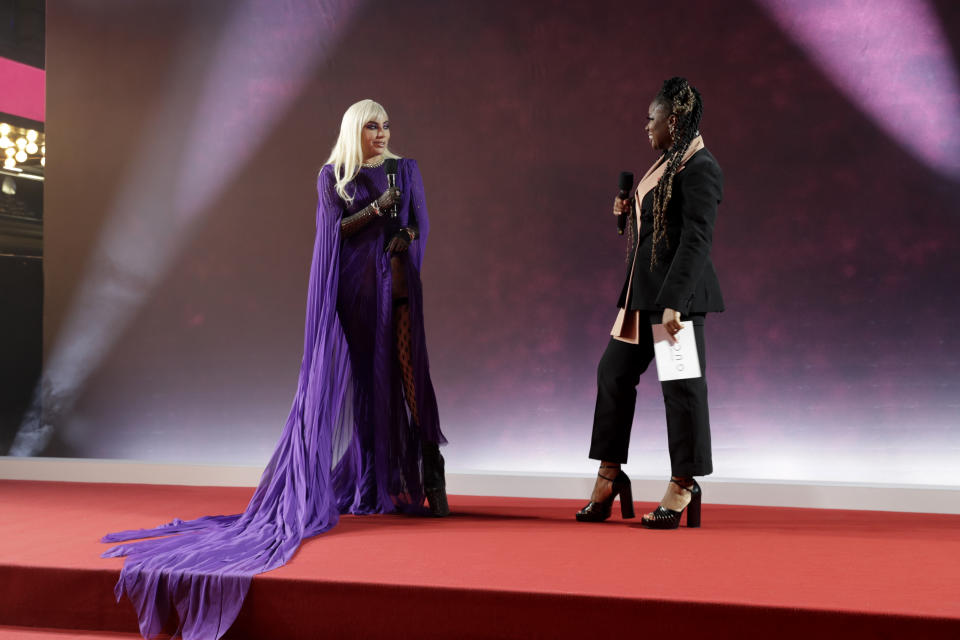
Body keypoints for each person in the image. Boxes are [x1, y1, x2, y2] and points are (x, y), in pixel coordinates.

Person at [101, 99, 448, 640]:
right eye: (372, 125)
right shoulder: (331, 176)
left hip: (398, 285)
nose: (381, 132)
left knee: (408, 374)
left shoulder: (406, 169)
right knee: (366, 385)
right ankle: (375, 481)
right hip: (354, 293)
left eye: (386, 124)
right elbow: (339, 233)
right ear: (354, 129)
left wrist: (404, 233)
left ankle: (429, 472)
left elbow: (421, 224)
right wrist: (381, 211)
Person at [576, 77, 724, 529]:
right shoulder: (666, 162)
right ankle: (609, 474)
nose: (646, 127)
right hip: (642, 297)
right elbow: (661, 229)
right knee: (613, 373)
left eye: (651, 118)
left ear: (672, 120)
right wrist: (628, 216)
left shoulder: (700, 167)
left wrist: (676, 302)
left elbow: (697, 240)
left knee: (680, 389)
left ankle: (683, 484)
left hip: (674, 301)